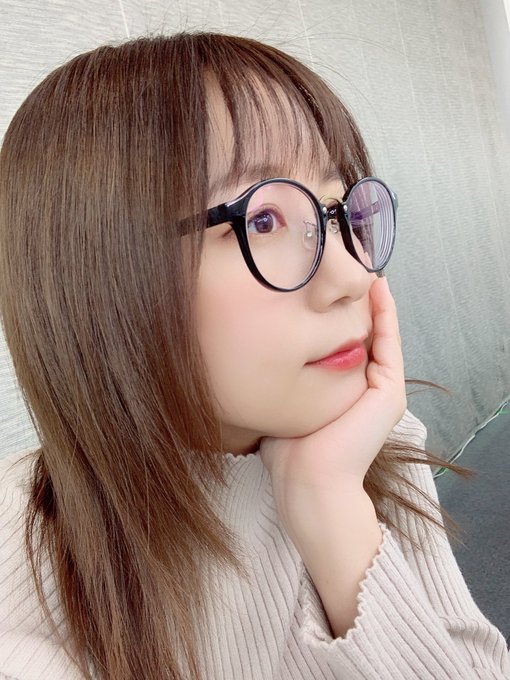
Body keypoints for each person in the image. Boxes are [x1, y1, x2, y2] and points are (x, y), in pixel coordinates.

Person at [0, 32, 508, 680]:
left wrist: (329, 504)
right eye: (263, 220)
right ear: (101, 274)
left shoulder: (366, 436)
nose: (353, 275)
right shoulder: (29, 576)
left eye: (335, 209)